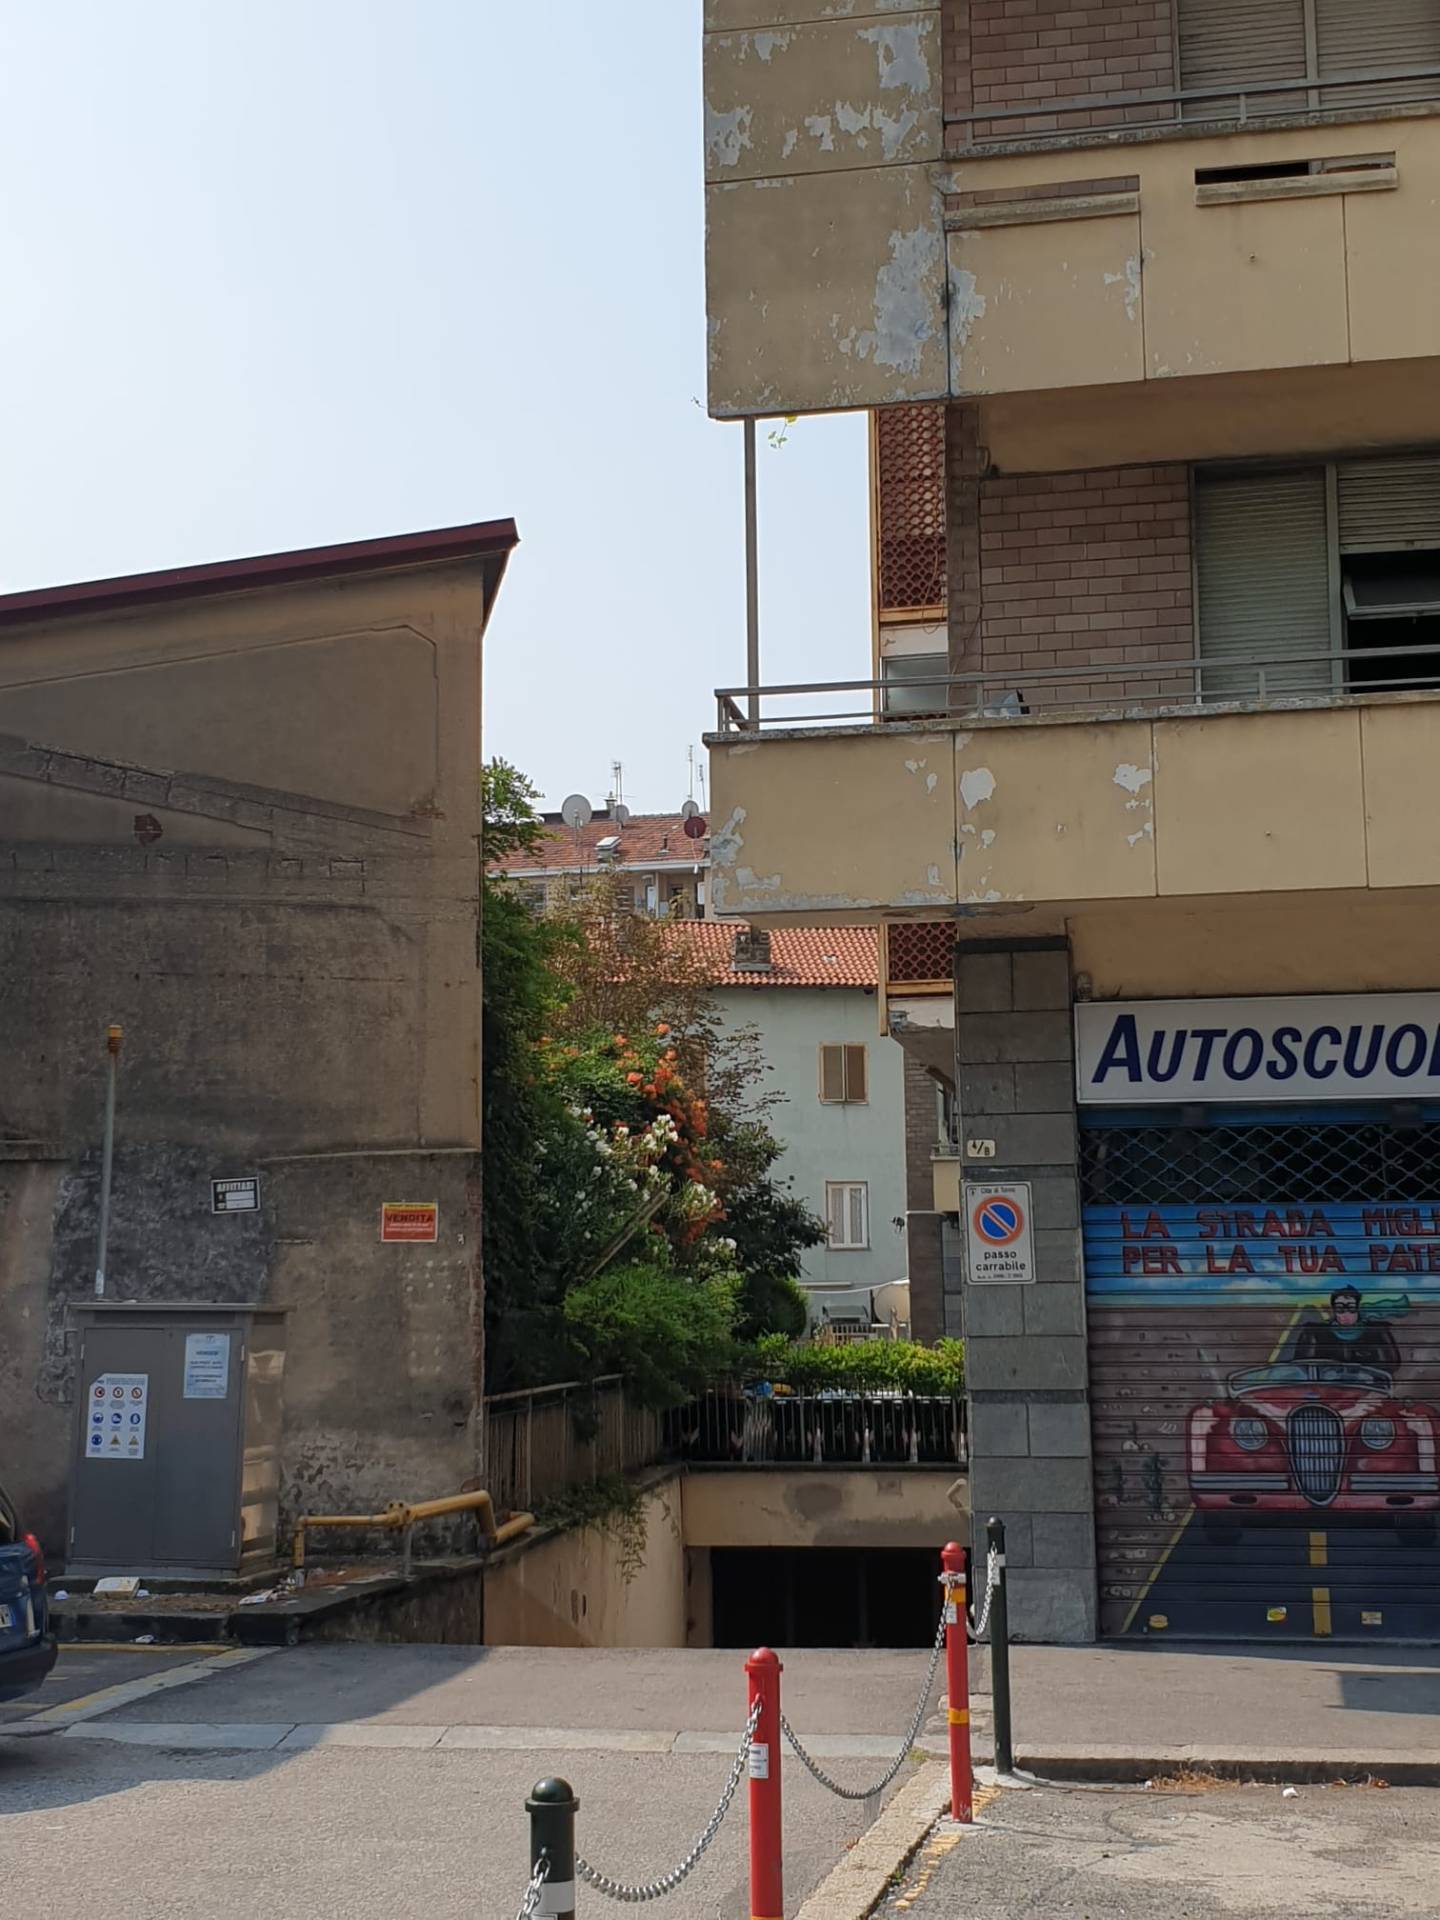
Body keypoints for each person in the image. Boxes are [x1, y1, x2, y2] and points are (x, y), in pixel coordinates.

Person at [1294, 1285, 1401, 1374]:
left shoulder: (1377, 1331)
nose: (1346, 1313)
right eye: (1340, 1308)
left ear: (1358, 1308)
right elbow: (1301, 1365)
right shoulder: (1315, 1332)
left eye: (1351, 1307)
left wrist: (1364, 1374)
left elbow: (1391, 1365)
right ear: (1334, 1310)